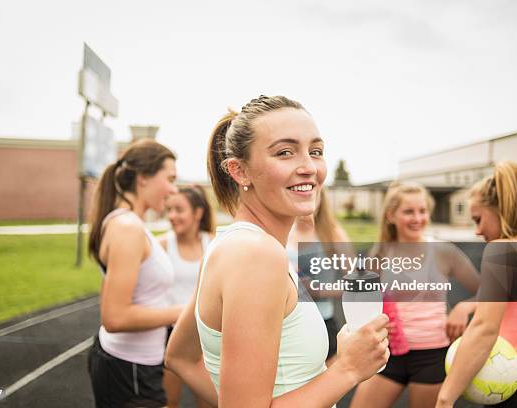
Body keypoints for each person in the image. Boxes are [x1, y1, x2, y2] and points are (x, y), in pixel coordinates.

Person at [165, 95, 389, 408]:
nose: (309, 167)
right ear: (239, 171)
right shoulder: (256, 255)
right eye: (285, 153)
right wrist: (347, 368)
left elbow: (180, 357)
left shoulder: (232, 244)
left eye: (315, 151)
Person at [350, 181, 480, 408]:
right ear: (391, 215)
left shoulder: (443, 251)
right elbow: (358, 299)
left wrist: (463, 308)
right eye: (409, 211)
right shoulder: (380, 253)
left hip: (433, 356)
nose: (417, 218)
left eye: (423, 211)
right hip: (389, 354)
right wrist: (373, 321)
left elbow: (489, 293)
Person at [436, 161, 517, 408]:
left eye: (478, 219)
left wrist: (445, 398)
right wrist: (468, 306)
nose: (477, 231)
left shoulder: (502, 250)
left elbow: (484, 329)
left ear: (502, 211)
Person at [86, 139, 183, 408]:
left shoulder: (130, 223)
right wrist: (183, 312)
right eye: (170, 179)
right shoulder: (127, 227)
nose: (173, 190)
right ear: (143, 178)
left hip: (136, 364)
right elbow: (114, 317)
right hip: (129, 368)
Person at [159, 185, 215, 408]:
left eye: (179, 210)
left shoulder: (213, 244)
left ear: (198, 213)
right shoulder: (161, 245)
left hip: (205, 335)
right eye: (169, 209)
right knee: (169, 402)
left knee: (209, 403)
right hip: (170, 334)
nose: (172, 216)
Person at [287, 188, 353, 366]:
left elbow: (358, 286)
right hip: (286, 326)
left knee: (325, 389)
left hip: (322, 323)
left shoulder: (333, 234)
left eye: (310, 195)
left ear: (320, 198)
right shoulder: (283, 231)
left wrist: (319, 291)